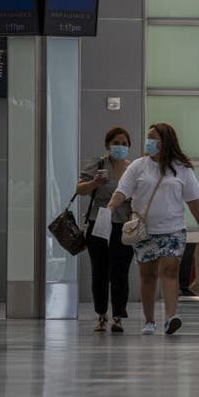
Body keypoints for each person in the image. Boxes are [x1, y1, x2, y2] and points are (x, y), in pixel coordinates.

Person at [107, 123, 199, 336]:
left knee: (170, 270)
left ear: (165, 141)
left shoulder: (181, 168)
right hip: (144, 230)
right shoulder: (138, 166)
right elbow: (122, 190)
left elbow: (192, 199)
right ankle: (150, 320)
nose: (149, 142)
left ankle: (171, 318)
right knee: (148, 275)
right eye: (148, 138)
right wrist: (110, 207)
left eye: (154, 138)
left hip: (173, 229)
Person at [78, 127, 135, 333]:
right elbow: (79, 189)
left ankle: (118, 316)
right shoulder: (98, 164)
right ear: (108, 145)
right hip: (99, 220)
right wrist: (95, 182)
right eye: (116, 143)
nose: (120, 147)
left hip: (124, 224)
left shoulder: (133, 169)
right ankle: (101, 314)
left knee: (120, 270)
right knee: (99, 270)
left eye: (124, 143)